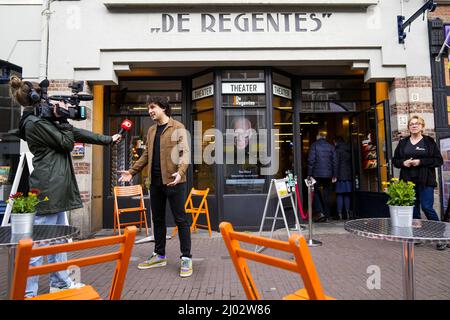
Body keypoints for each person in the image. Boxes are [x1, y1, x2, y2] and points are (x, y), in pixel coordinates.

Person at [9, 76, 122, 297]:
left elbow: (75, 134)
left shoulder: (42, 119)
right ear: (35, 98)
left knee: (58, 239)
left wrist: (108, 139)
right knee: (40, 242)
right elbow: (67, 142)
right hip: (48, 187)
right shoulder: (34, 123)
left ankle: (60, 283)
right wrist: (62, 121)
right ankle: (28, 292)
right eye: (45, 97)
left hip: (57, 185)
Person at [119, 96, 193, 277]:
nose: (150, 111)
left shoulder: (178, 128)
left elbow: (185, 153)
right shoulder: (151, 130)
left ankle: (186, 258)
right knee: (158, 220)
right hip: (156, 183)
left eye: (152, 108)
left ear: (164, 108)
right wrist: (132, 171)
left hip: (175, 181)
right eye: (148, 109)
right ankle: (159, 255)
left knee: (181, 220)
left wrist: (181, 172)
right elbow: (146, 155)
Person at [393, 115, 445, 250]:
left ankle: (441, 237)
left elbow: (438, 160)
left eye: (417, 123)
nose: (414, 126)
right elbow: (395, 161)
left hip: (425, 180)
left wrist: (420, 162)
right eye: (411, 124)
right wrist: (403, 163)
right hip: (408, 181)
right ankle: (417, 235)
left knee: (427, 207)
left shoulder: (429, 142)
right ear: (409, 127)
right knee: (413, 209)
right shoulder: (403, 143)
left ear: (422, 126)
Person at [307, 131, 336, 222]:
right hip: (328, 175)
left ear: (319, 136)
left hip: (316, 174)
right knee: (327, 194)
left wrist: (309, 174)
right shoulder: (331, 147)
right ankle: (327, 215)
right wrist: (334, 175)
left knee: (314, 192)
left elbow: (311, 161)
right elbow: (335, 162)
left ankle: (320, 212)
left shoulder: (314, 146)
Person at [333, 137, 353, 220]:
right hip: (348, 175)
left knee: (339, 194)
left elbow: (336, 164)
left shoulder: (337, 150)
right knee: (347, 194)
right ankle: (348, 213)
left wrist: (334, 175)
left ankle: (340, 214)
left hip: (340, 176)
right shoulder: (348, 149)